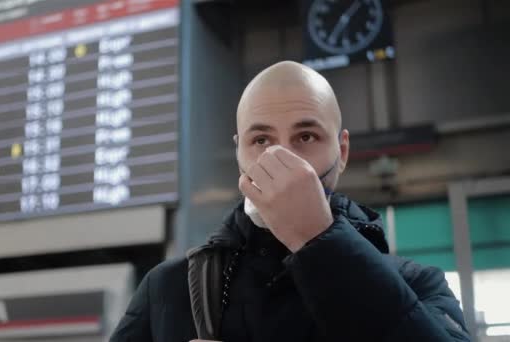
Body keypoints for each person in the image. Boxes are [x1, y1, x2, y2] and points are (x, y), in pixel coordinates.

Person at [110, 61, 470, 342]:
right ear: (239, 151)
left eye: (307, 136)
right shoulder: (169, 288)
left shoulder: (417, 284)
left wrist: (319, 240)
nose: (281, 160)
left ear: (341, 152)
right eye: (262, 141)